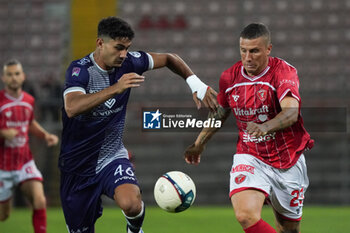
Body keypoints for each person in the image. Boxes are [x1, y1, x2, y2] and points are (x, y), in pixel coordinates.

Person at [59, 16, 218, 233]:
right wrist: (116, 88)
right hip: (76, 167)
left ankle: (134, 230)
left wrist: (196, 84)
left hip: (111, 157)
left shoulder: (131, 62)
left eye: (127, 48)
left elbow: (170, 58)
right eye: (118, 48)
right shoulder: (80, 70)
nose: (123, 54)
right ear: (100, 43)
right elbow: (72, 106)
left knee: (131, 204)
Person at [185, 23, 314, 233]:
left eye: (254, 51)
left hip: (288, 159)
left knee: (288, 229)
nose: (248, 57)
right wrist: (199, 143)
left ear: (268, 49)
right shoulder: (230, 77)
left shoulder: (284, 72)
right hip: (250, 155)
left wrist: (266, 127)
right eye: (243, 51)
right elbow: (221, 111)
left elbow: (291, 112)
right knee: (245, 215)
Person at [0, 59, 59, 233]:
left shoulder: (29, 100)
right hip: (3, 167)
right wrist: (3, 133)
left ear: (23, 76)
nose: (14, 78)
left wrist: (45, 135)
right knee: (4, 216)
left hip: (24, 161)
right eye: (9, 74)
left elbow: (30, 122)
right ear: (4, 78)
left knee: (39, 200)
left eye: (17, 74)